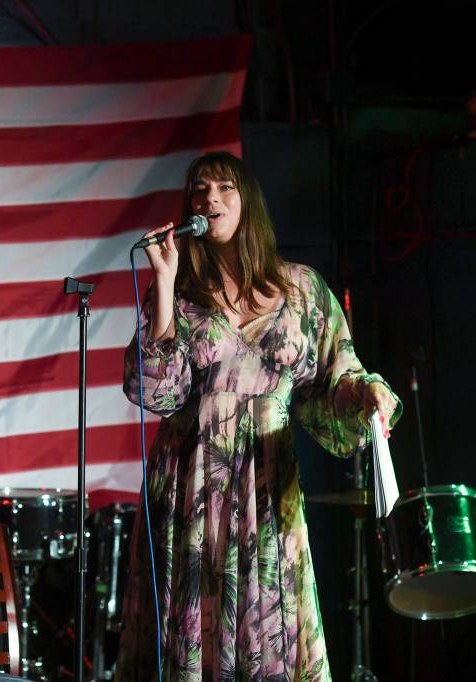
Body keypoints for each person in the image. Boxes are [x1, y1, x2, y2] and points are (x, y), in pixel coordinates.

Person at [115, 151, 400, 681]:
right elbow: (155, 392)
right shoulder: (181, 295)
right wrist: (161, 281)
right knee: (193, 632)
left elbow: (336, 376)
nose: (211, 198)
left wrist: (367, 393)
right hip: (191, 486)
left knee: (271, 630)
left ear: (248, 203)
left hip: (268, 486)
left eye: (225, 187)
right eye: (200, 189)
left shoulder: (301, 290)